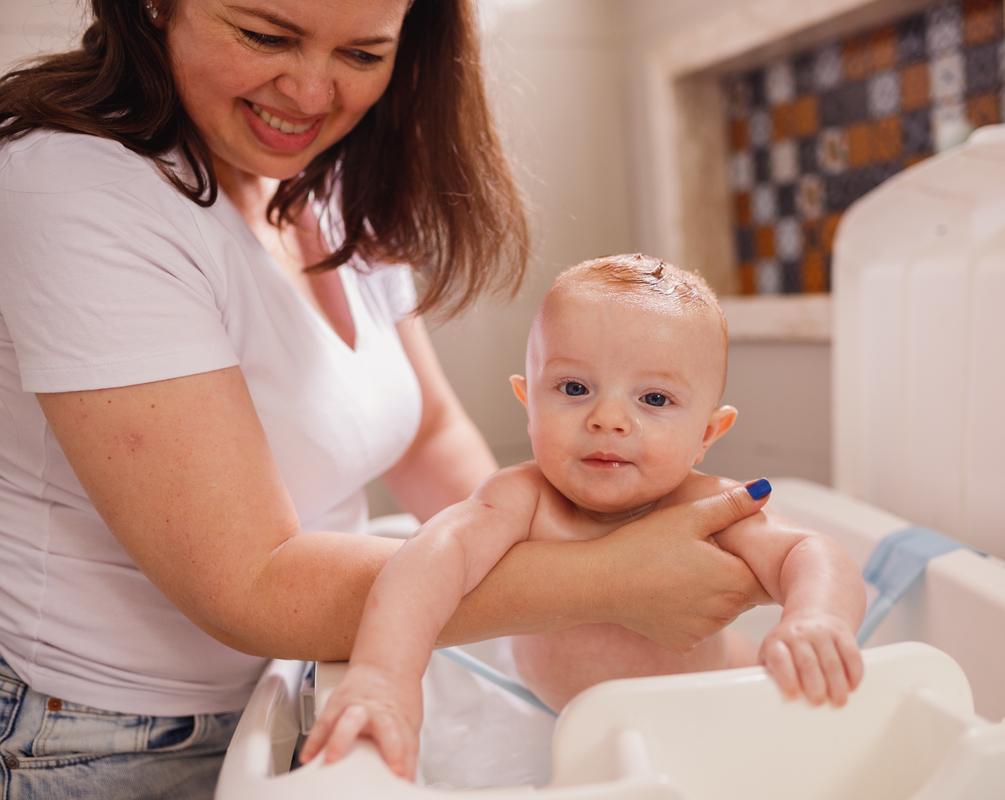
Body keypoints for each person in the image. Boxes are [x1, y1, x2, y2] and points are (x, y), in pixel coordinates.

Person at [0, 2, 775, 797]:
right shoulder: (73, 187)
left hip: (300, 678)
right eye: (265, 36)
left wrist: (557, 525)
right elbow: (249, 581)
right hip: (107, 738)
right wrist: (610, 576)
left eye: (363, 55)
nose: (311, 93)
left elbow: (427, 433)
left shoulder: (325, 185)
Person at [304, 255, 867, 778]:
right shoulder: (523, 501)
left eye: (654, 399)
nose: (608, 418)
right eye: (574, 388)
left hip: (705, 718)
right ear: (529, 403)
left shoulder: (710, 508)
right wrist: (384, 674)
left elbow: (811, 552)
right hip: (552, 719)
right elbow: (433, 555)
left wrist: (816, 618)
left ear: (706, 433)